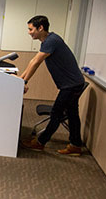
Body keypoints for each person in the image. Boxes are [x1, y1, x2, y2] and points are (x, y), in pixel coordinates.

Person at [20, 15, 86, 156]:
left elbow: (36, 62)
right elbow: (33, 61)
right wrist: (21, 79)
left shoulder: (52, 41)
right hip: (73, 83)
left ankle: (40, 142)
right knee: (72, 114)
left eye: (31, 29)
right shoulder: (48, 40)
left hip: (71, 85)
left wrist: (24, 81)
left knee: (56, 113)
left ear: (41, 28)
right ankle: (75, 145)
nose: (29, 32)